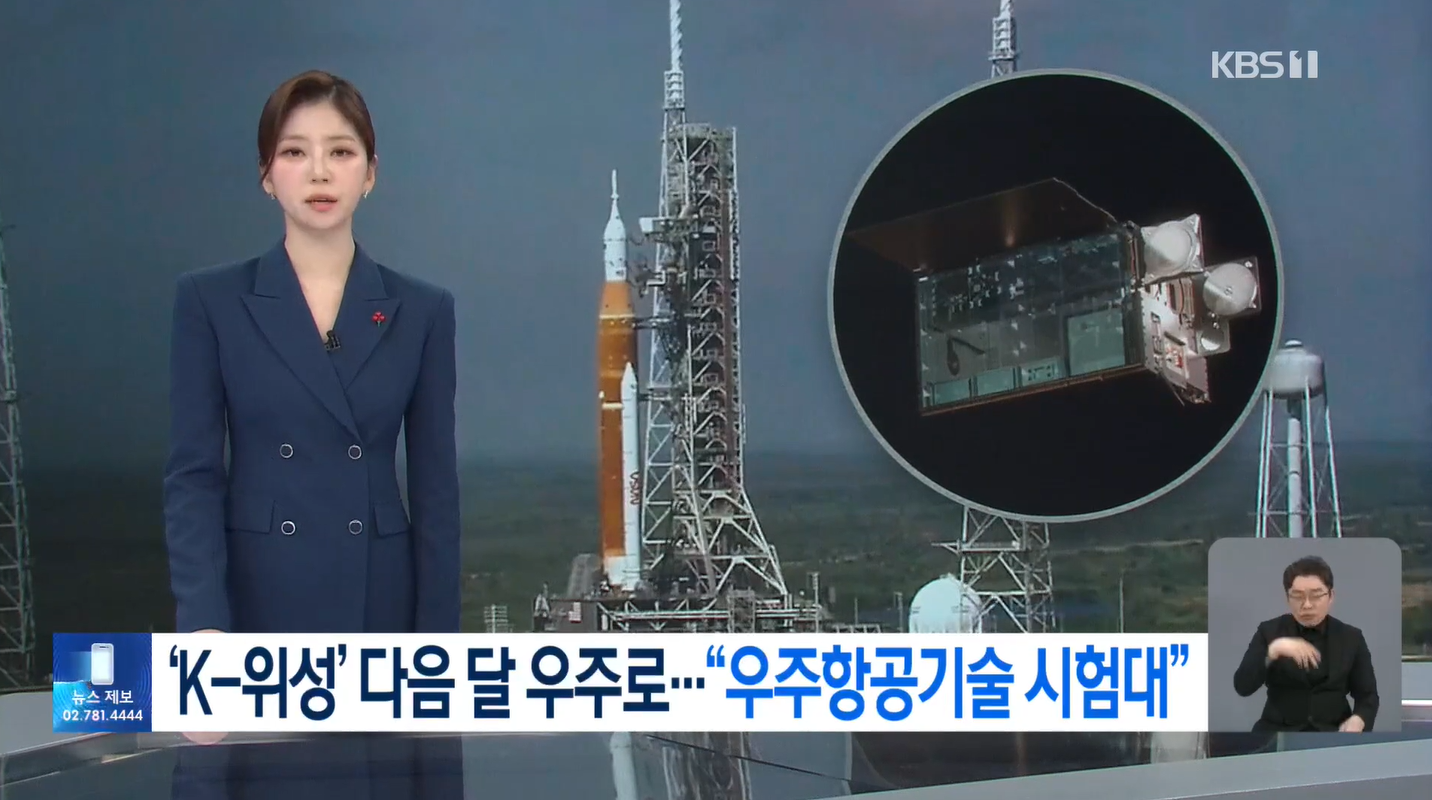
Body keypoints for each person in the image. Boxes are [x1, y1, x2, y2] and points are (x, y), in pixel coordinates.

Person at [163, 69, 464, 798]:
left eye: (341, 151)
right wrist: (203, 629)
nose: (320, 172)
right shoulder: (210, 301)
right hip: (255, 609)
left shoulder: (423, 310)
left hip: (380, 617)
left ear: (371, 173)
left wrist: (438, 650)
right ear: (267, 175)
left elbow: (435, 492)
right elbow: (194, 476)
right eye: (296, 152)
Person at [1231, 555, 1379, 733]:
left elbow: (1368, 696)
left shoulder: (1351, 637)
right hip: (1278, 733)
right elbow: (1243, 686)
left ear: (1331, 596)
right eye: (1298, 596)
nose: (1307, 605)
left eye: (1316, 596)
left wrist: (1359, 719)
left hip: (1333, 732)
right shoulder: (1269, 631)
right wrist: (1274, 650)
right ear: (1288, 598)